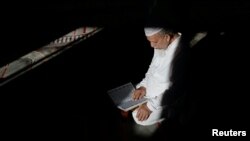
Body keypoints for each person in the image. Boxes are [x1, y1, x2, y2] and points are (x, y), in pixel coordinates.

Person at [131, 27, 182, 126]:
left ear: (167, 37)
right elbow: (152, 68)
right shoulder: (161, 43)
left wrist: (149, 106)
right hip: (151, 90)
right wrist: (143, 86)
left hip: (167, 99)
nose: (152, 45)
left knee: (137, 116)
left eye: (154, 42)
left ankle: (169, 115)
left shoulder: (181, 54)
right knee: (132, 93)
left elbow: (174, 91)